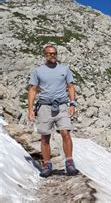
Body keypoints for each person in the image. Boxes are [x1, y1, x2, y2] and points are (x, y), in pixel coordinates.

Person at [27, 44, 79, 177]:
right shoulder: (38, 71)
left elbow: (70, 86)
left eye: (54, 53)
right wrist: (30, 110)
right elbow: (32, 90)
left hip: (61, 105)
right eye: (49, 53)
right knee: (45, 136)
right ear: (45, 55)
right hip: (44, 106)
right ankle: (47, 164)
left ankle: (69, 163)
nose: (53, 55)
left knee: (65, 132)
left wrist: (72, 103)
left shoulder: (64, 69)